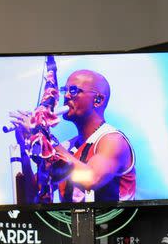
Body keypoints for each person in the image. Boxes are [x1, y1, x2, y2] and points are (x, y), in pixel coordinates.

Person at [10, 69, 135, 202]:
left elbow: (91, 179)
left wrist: (44, 136)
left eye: (74, 90)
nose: (67, 96)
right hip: (69, 222)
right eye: (66, 90)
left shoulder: (112, 140)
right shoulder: (67, 147)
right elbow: (31, 197)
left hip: (112, 222)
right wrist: (24, 146)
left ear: (98, 100)